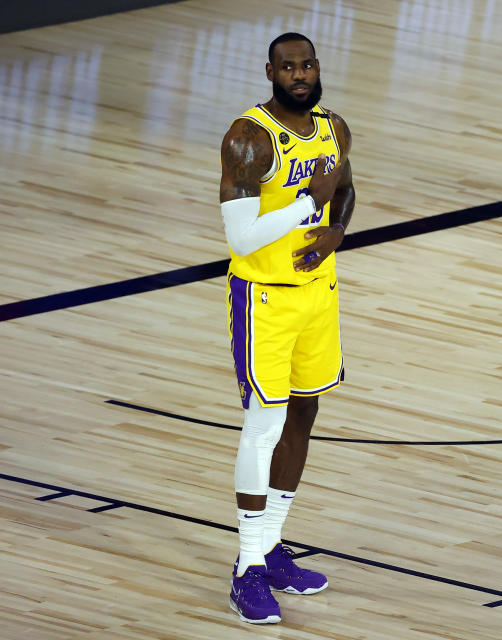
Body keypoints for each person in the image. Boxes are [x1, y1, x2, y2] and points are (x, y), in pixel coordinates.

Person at [218, 31, 355, 624]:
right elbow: (240, 238)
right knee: (263, 425)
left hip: (319, 295)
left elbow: (345, 191)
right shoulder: (248, 138)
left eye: (307, 65)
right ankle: (246, 568)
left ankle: (272, 546)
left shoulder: (333, 128)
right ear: (269, 72)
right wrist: (308, 203)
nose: (299, 74)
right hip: (264, 300)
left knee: (304, 412)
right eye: (287, 67)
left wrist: (334, 231)